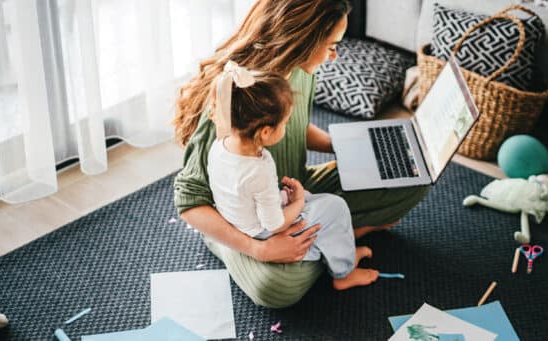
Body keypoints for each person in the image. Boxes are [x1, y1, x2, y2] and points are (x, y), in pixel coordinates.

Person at [172, 0, 431, 308]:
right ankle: (342, 240)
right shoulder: (239, 93)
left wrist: (347, 145)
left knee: (415, 171)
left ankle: (334, 240)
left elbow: (296, 126)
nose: (334, 56)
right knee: (277, 288)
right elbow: (189, 201)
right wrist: (259, 251)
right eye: (331, 45)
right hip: (243, 219)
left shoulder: (302, 68)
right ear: (305, 37)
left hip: (291, 193)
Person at [205, 61, 377, 291]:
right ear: (265, 132)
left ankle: (334, 243)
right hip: (262, 231)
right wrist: (298, 203)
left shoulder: (220, 143)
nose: (287, 128)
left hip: (236, 217)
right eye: (285, 123)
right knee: (335, 207)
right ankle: (344, 272)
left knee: (310, 199)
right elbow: (274, 224)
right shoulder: (259, 168)